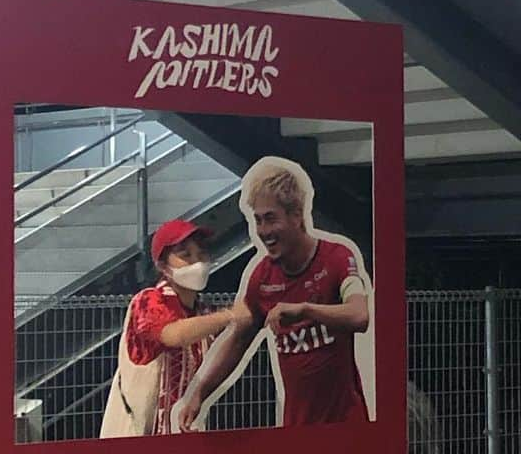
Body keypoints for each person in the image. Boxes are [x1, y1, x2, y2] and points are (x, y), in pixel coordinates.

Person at [175, 158, 371, 431]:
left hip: (347, 428)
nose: (263, 231)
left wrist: (304, 310)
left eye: (270, 218)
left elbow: (360, 315)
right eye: (257, 220)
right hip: (296, 430)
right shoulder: (262, 277)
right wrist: (199, 392)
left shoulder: (338, 257)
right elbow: (238, 339)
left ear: (297, 215)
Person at [100, 219, 244, 437]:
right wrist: (231, 315)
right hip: (134, 438)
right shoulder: (148, 301)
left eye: (201, 254)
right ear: (162, 266)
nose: (197, 262)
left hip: (181, 437)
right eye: (185, 255)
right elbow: (174, 334)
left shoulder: (202, 312)